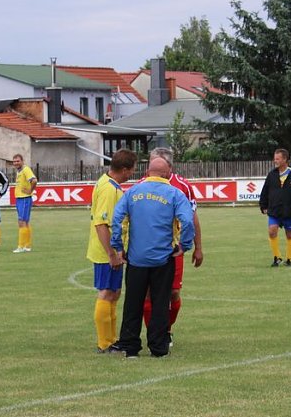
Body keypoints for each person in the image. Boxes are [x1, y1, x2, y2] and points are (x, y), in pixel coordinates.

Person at [109, 157, 195, 358]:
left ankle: (130, 347)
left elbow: (116, 219)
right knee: (160, 302)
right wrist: (185, 245)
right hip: (163, 259)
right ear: (167, 173)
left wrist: (118, 246)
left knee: (133, 302)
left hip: (136, 259)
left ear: (147, 172)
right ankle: (158, 347)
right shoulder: (175, 193)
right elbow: (187, 221)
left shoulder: (132, 193)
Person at [141, 147, 204, 347]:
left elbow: (192, 217)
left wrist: (198, 246)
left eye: (156, 164)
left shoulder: (182, 186)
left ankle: (166, 329)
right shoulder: (141, 184)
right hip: (147, 248)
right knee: (149, 293)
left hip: (174, 249)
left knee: (173, 293)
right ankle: (153, 332)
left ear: (168, 167)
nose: (152, 168)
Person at [86, 148, 137, 354]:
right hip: (105, 252)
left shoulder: (107, 183)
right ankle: (104, 343)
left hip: (111, 250)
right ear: (124, 169)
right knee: (107, 292)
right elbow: (101, 224)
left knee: (114, 293)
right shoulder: (109, 189)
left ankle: (112, 339)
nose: (132, 173)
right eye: (132, 170)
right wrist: (111, 254)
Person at [258, 148, 291, 267]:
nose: (275, 161)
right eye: (274, 158)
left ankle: (289, 259)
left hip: (290, 211)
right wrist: (263, 206)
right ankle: (277, 257)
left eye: (277, 159)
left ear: (284, 159)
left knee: (290, 234)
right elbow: (265, 191)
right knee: (272, 231)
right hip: (274, 210)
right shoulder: (271, 175)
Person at [12, 153, 38, 253]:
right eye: (14, 161)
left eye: (18, 161)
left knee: (21, 222)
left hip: (24, 198)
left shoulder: (25, 170)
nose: (16, 163)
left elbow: (34, 180)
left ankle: (21, 246)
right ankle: (27, 246)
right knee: (25, 222)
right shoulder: (19, 171)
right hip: (20, 198)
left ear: (22, 161)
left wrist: (30, 190)